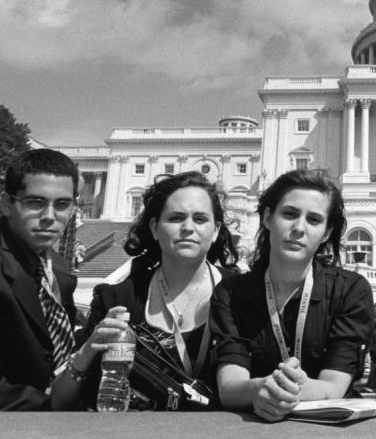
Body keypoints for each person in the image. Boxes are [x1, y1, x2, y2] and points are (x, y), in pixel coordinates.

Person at [51, 171, 239, 409]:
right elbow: (60, 401)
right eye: (176, 218)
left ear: (215, 231)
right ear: (154, 227)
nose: (188, 228)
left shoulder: (241, 295)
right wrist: (86, 353)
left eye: (200, 219)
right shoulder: (116, 299)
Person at [211, 170, 373, 422]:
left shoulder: (351, 290)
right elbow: (229, 387)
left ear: (327, 232)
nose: (299, 228)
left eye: (314, 220)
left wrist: (286, 389)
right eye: (289, 214)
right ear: (267, 217)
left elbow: (334, 387)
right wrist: (259, 389)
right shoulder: (230, 293)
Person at [0, 148, 80, 409]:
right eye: (35, 202)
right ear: (6, 203)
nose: (50, 216)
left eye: (62, 204)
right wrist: (49, 403)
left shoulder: (59, 270)